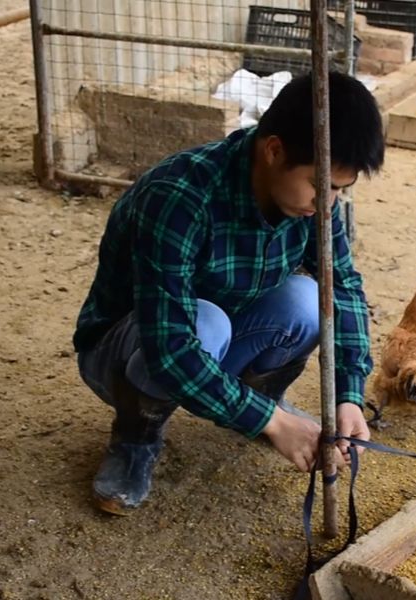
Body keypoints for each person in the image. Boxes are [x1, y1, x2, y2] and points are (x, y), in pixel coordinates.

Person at [72, 71, 385, 515]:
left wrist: (348, 393)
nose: (329, 202)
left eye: (340, 189)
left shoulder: (315, 203)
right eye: (323, 186)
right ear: (274, 150)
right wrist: (275, 425)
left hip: (216, 338)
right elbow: (171, 349)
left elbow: (344, 286)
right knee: (206, 324)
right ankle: (135, 440)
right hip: (128, 355)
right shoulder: (179, 196)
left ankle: (257, 407)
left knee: (306, 302)